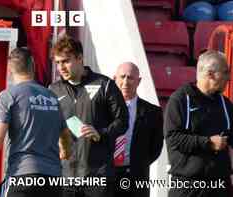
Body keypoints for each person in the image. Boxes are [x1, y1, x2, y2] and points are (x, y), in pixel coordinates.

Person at [0, 47, 72, 197]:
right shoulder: (52, 97)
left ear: (9, 70)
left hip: (22, 176)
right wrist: (65, 151)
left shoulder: (8, 96)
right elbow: (64, 133)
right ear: (33, 65)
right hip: (52, 180)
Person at [49, 35, 129, 197]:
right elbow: (47, 127)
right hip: (65, 176)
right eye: (57, 63)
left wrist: (101, 132)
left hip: (98, 175)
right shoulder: (53, 89)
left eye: (65, 61)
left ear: (80, 58)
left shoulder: (105, 85)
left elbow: (123, 121)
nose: (60, 67)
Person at [165, 50, 233, 197]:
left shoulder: (225, 104)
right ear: (210, 74)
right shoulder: (180, 99)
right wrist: (207, 142)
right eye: (225, 72)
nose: (229, 77)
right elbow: (173, 138)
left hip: (220, 187)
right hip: (188, 187)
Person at [112, 62, 163, 197]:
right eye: (122, 77)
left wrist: (138, 164)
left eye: (130, 78)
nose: (125, 82)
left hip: (136, 180)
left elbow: (156, 148)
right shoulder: (102, 110)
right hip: (107, 177)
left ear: (138, 81)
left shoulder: (153, 112)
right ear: (114, 79)